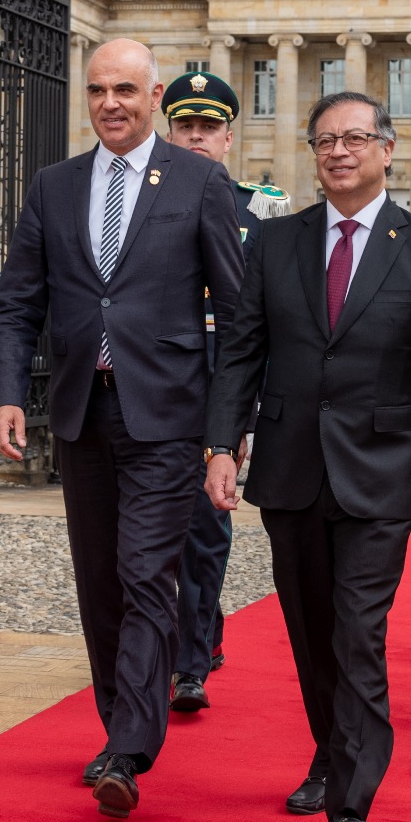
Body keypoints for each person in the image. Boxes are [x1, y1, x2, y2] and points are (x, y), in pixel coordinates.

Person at [204, 90, 411, 822]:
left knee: (358, 635)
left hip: (381, 475)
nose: (340, 152)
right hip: (290, 470)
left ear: (388, 150)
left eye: (356, 138)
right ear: (312, 153)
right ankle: (329, 751)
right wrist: (223, 443)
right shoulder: (273, 242)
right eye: (325, 140)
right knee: (311, 634)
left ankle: (351, 806)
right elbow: (242, 352)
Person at [0, 38, 244, 820]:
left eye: (126, 90)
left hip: (167, 416)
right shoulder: (55, 185)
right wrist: (7, 392)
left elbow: (237, 318)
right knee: (100, 583)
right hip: (81, 413)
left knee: (144, 576)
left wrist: (226, 436)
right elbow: (17, 301)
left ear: (154, 94)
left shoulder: (199, 181)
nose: (110, 103)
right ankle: (116, 732)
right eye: (98, 90)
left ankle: (129, 748)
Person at [158, 69, 289, 714]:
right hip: (152, 380)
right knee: (149, 528)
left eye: (208, 129)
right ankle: (174, 642)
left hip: (221, 381)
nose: (196, 140)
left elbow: (267, 323)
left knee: (206, 528)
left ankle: (191, 659)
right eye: (185, 127)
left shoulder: (257, 211)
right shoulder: (140, 200)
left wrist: (254, 412)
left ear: (228, 139)